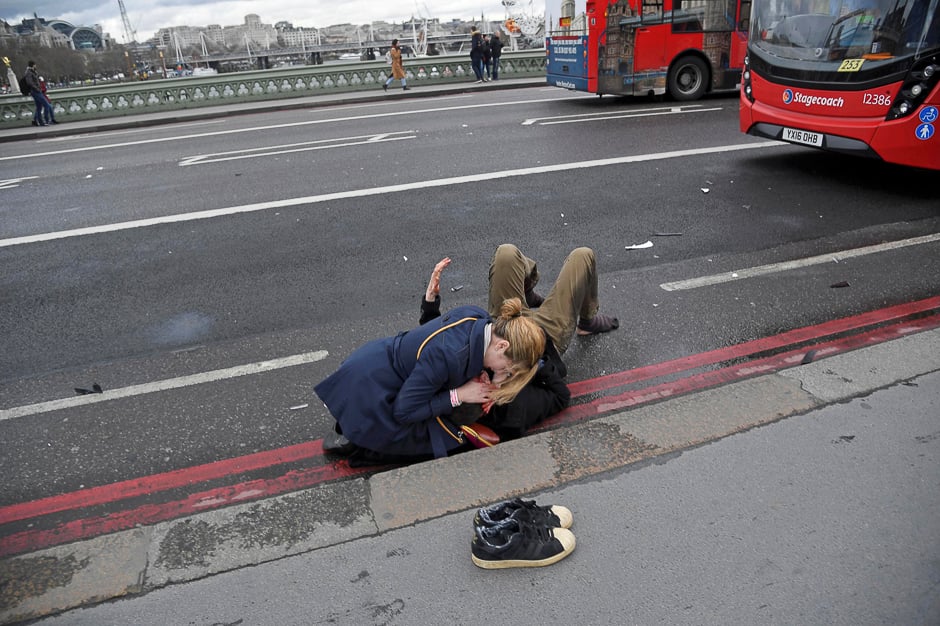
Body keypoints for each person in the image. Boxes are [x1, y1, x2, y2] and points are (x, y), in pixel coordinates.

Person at [316, 295, 546, 463]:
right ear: (502, 345)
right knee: (441, 441)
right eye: (507, 369)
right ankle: (357, 439)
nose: (504, 374)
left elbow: (431, 339)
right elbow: (404, 411)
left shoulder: (479, 317)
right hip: (373, 392)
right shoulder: (448, 356)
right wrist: (459, 395)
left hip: (376, 363)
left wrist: (430, 305)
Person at [420, 257, 572, 442]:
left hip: (512, 330)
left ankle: (528, 293)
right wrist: (535, 362)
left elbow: (436, 345)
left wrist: (430, 303)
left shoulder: (477, 369)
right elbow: (561, 395)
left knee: (506, 255)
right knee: (582, 257)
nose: (482, 376)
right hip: (537, 340)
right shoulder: (515, 412)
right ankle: (585, 318)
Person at [23, 61, 47, 127]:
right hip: (35, 91)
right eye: (35, 65)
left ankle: (37, 121)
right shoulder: (29, 72)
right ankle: (45, 120)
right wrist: (37, 89)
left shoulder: (33, 71)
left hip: (36, 91)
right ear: (33, 65)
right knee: (46, 105)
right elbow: (30, 83)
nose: (36, 66)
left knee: (39, 107)